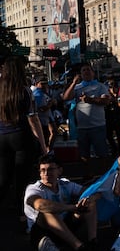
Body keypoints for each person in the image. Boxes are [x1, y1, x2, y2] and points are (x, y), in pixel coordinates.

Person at [0, 56, 47, 217]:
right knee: (22, 176)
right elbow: (33, 119)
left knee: (4, 175)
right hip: (21, 135)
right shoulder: (25, 90)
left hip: (2, 136)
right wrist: (43, 145)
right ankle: (22, 210)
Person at [24, 154, 100, 250]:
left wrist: (89, 200)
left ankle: (93, 241)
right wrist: (73, 207)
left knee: (89, 203)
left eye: (50, 169)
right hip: (42, 232)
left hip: (65, 227)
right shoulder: (33, 189)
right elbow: (39, 205)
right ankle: (79, 246)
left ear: (59, 171)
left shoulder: (65, 184)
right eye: (42, 170)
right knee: (46, 212)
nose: (46, 173)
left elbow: (95, 192)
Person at [62, 63, 110, 177]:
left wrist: (90, 100)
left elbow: (106, 101)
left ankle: (104, 175)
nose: (86, 72)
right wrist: (74, 83)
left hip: (98, 126)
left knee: (102, 153)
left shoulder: (100, 86)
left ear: (93, 72)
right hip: (82, 127)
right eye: (84, 70)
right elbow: (65, 97)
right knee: (84, 154)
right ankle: (88, 174)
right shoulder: (78, 87)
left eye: (88, 70)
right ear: (80, 74)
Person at [32, 75, 57, 151]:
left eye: (46, 83)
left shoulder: (43, 93)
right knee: (44, 140)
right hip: (41, 122)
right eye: (42, 83)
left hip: (47, 119)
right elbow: (41, 109)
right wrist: (50, 103)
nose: (44, 85)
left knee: (53, 132)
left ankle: (49, 151)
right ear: (36, 84)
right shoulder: (38, 94)